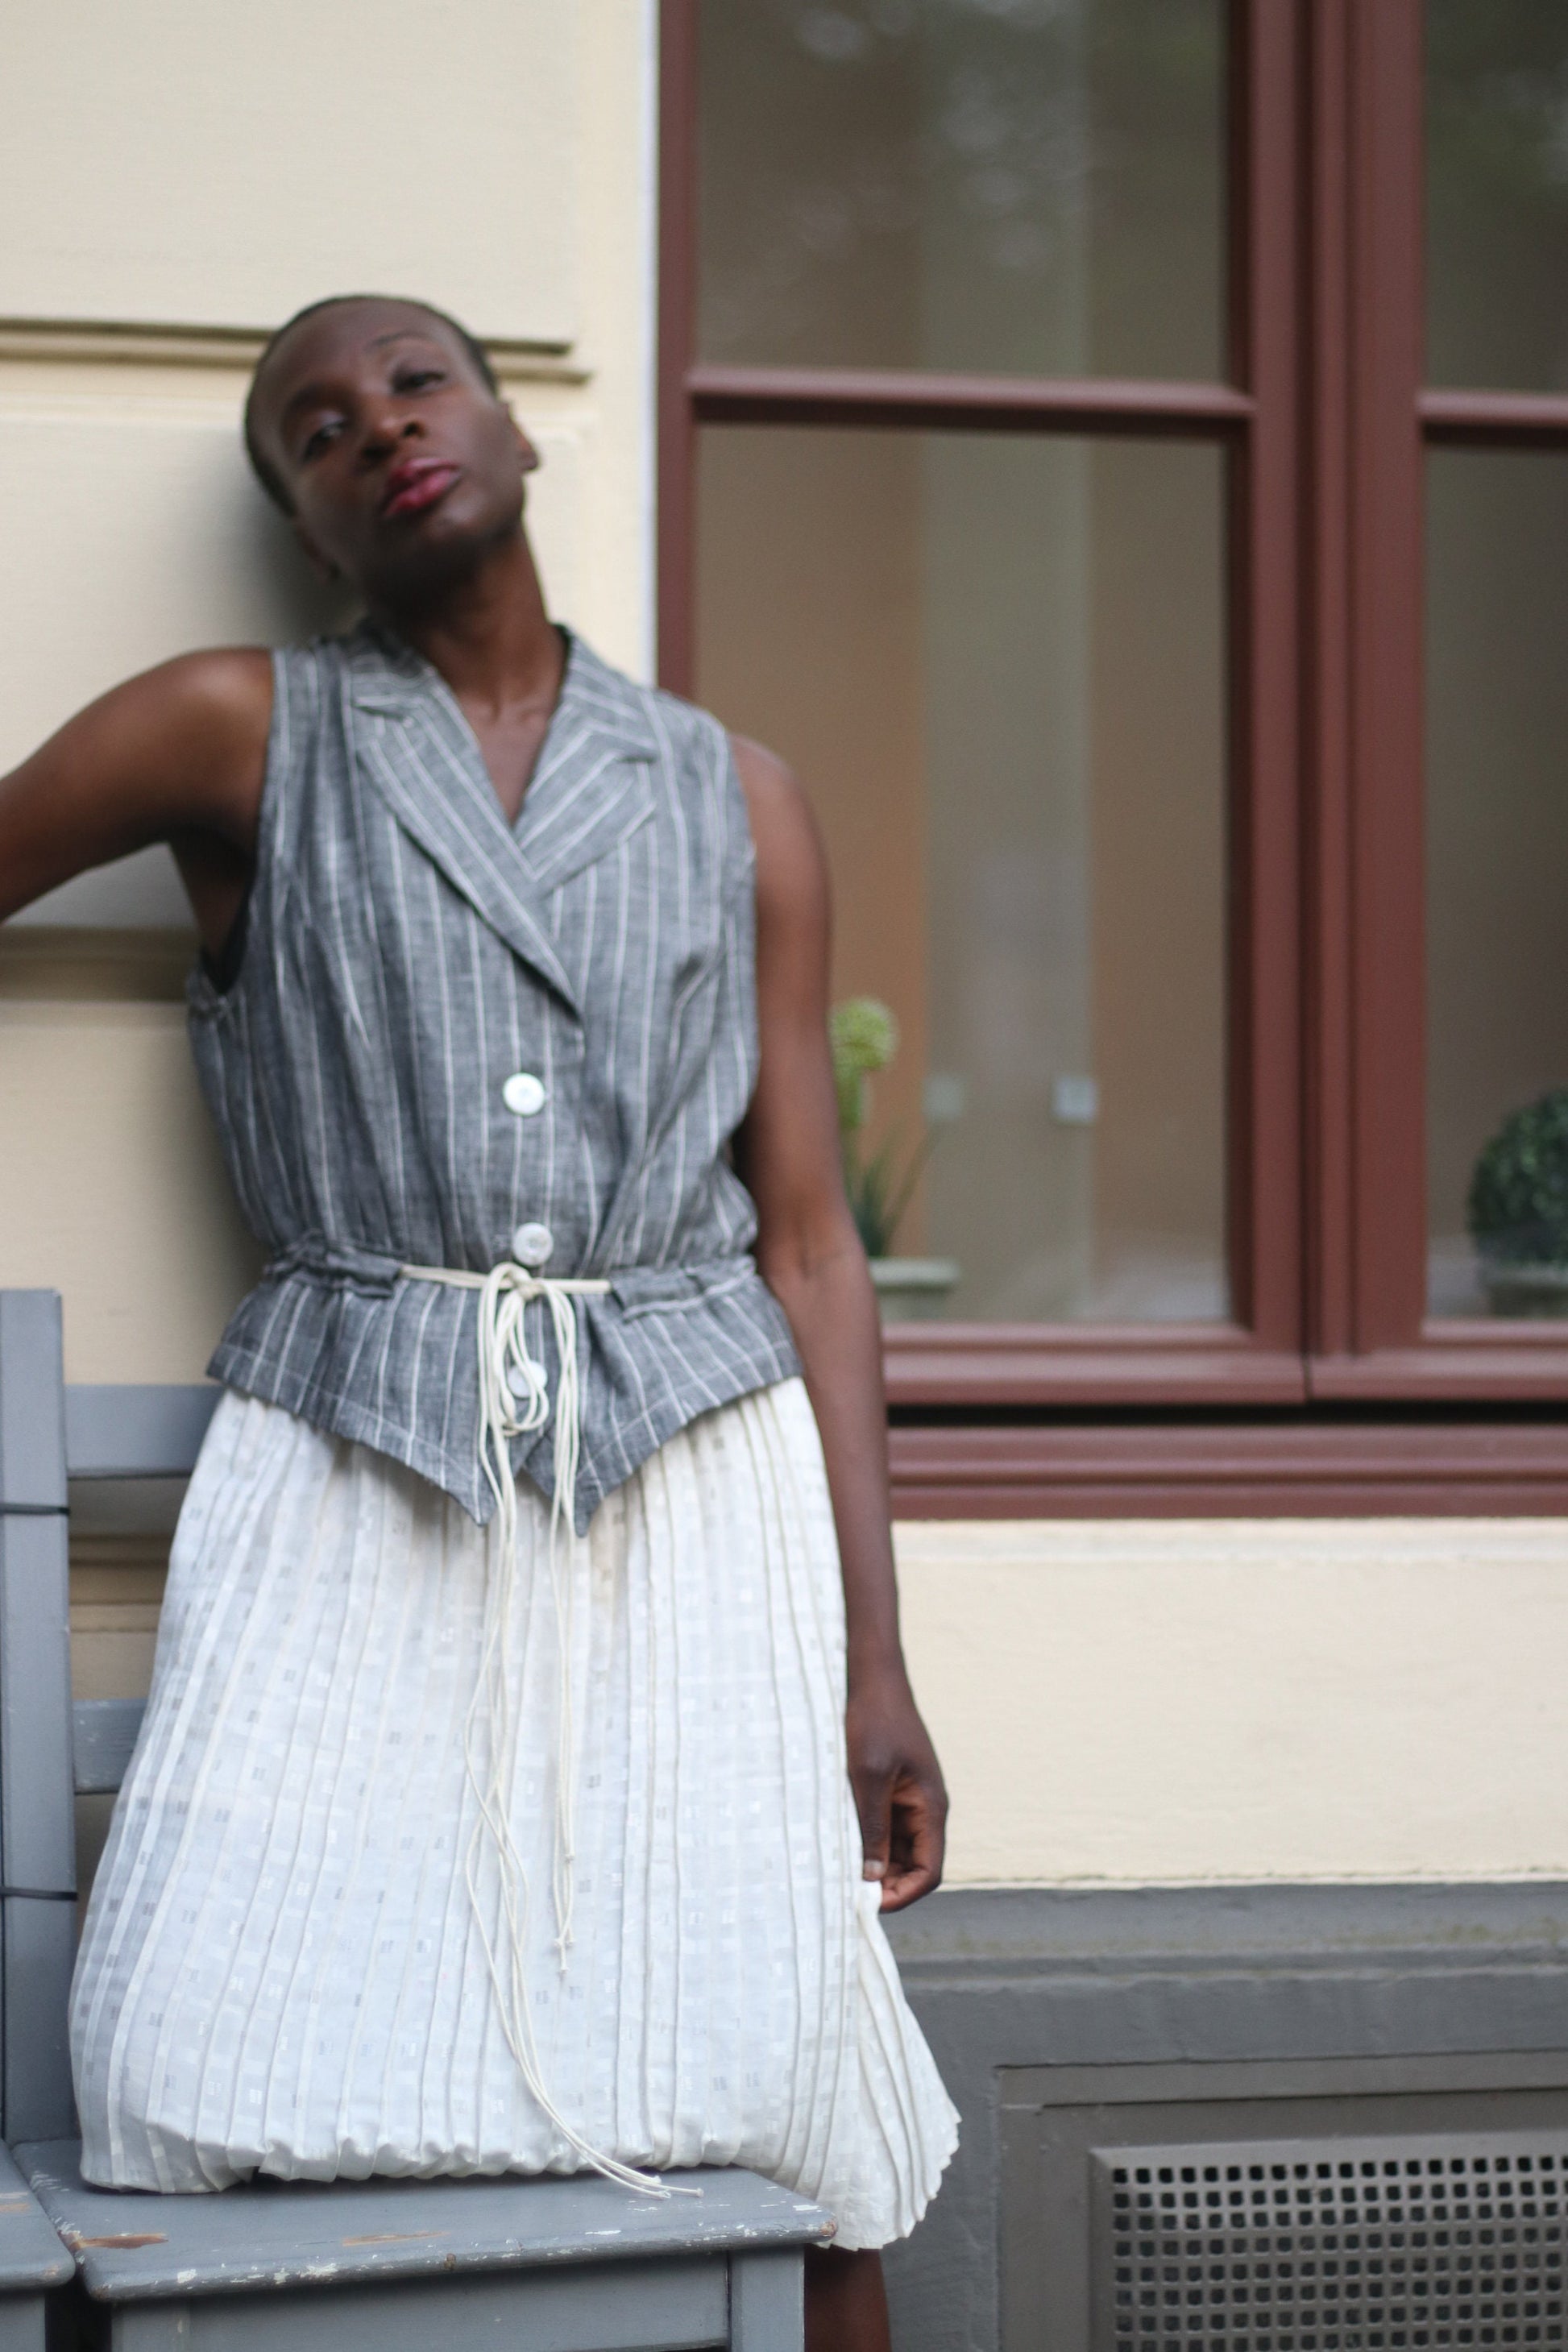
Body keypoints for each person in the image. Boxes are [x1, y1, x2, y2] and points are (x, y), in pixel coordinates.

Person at [0, 294, 956, 2351]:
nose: (378, 431)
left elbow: (810, 1245)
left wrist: (873, 1668)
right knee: (197, 2067)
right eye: (314, 432)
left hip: (688, 1489)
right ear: (304, 522)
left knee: (779, 2098)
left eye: (414, 384)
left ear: (512, 429)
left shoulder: (737, 796)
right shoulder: (230, 727)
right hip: (356, 1461)